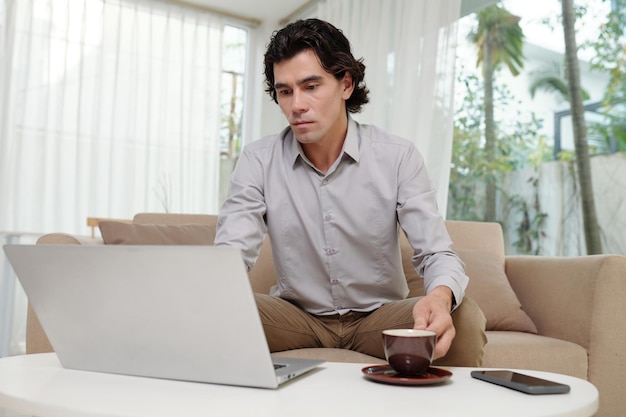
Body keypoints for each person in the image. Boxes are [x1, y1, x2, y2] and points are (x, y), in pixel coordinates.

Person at [214, 18, 486, 365]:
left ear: (346, 84)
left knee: (465, 316)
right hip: (296, 319)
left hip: (378, 319)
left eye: (311, 86)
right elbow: (231, 254)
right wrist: (208, 295)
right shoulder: (258, 159)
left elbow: (436, 253)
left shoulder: (397, 156)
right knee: (214, 308)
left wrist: (441, 296)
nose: (296, 105)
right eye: (285, 91)